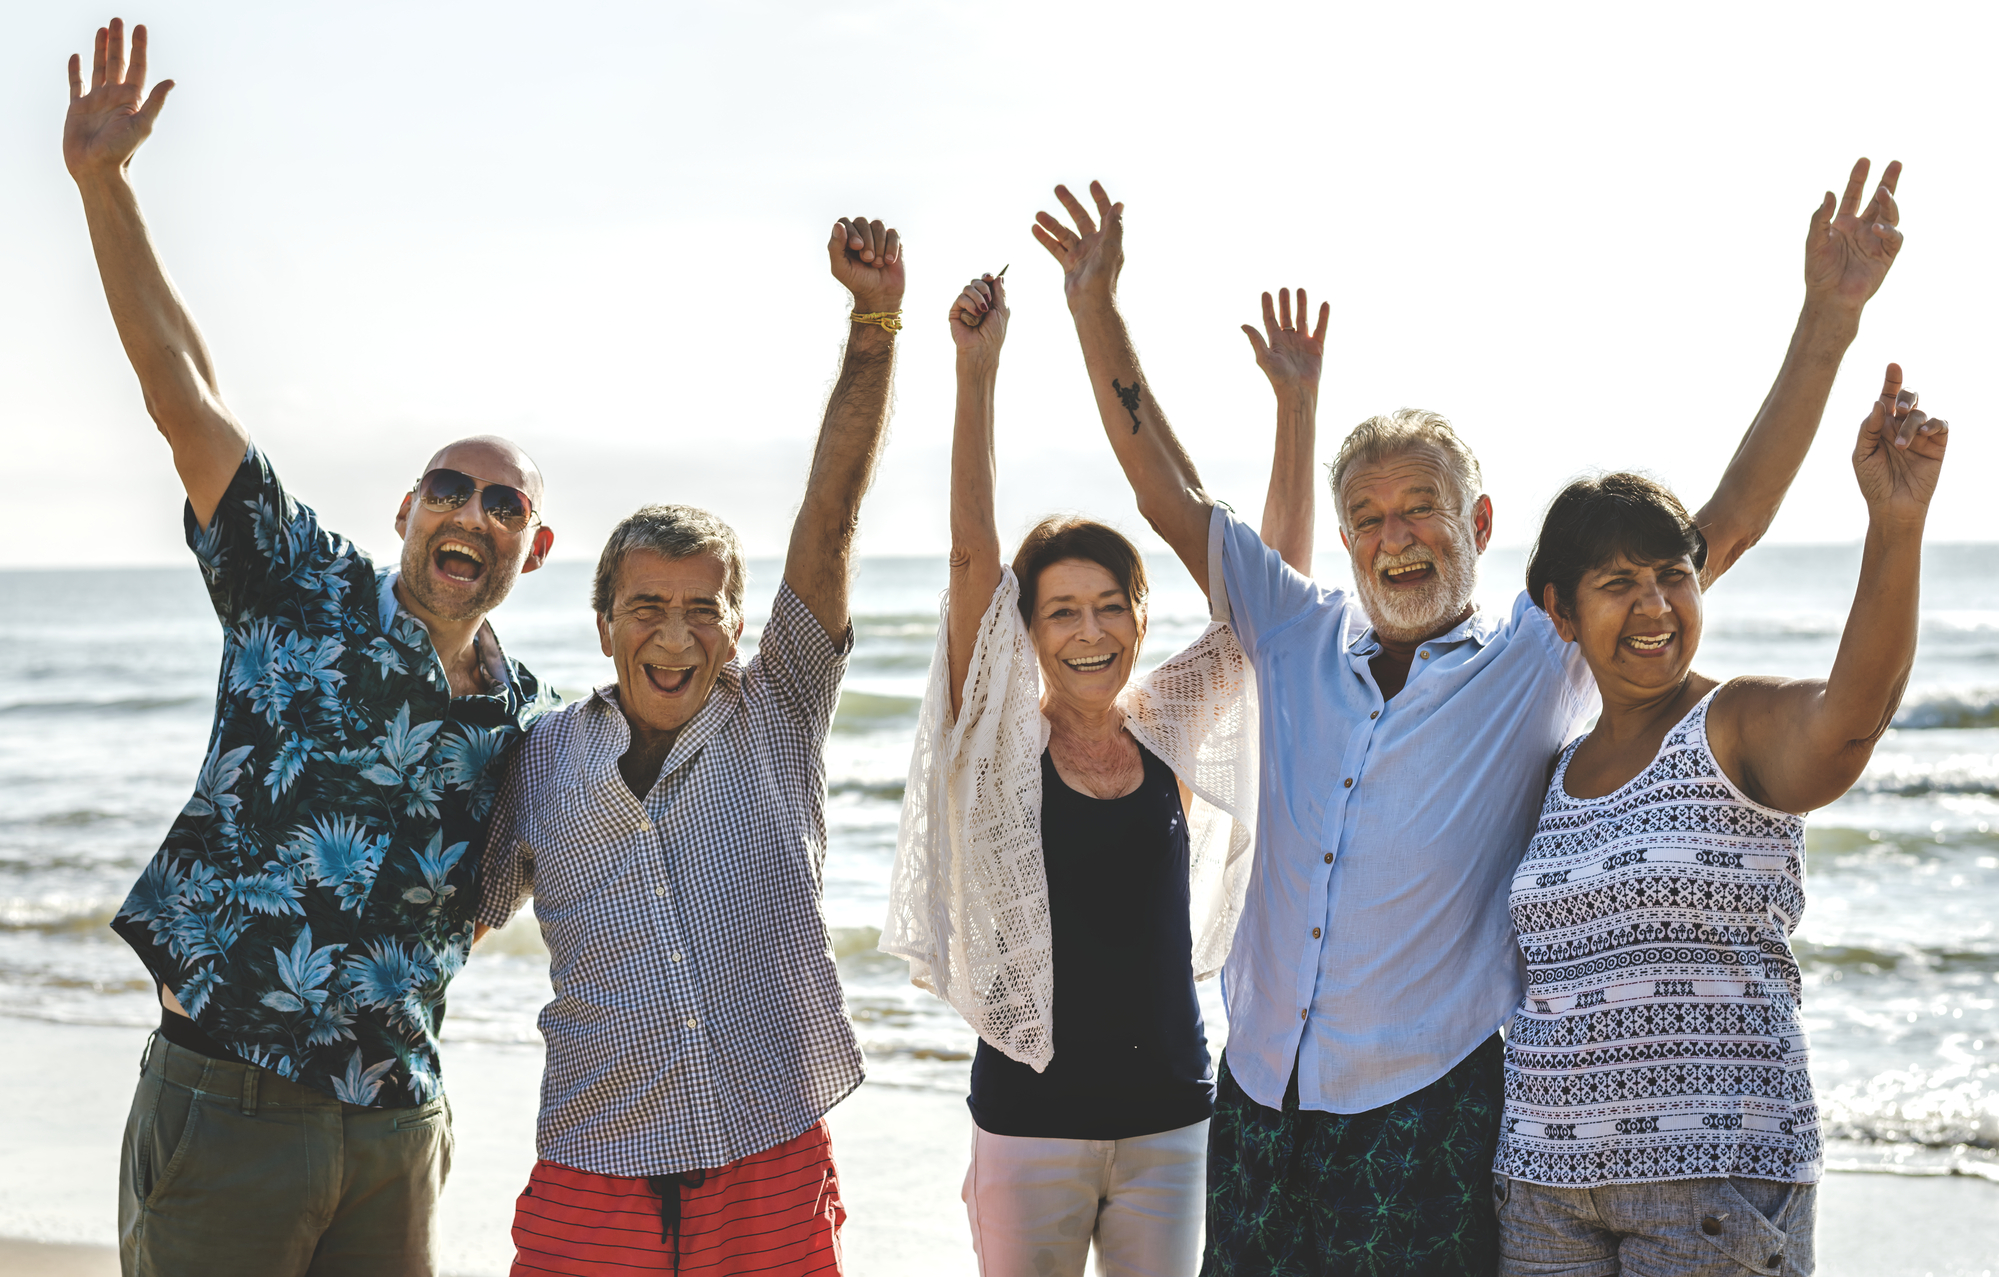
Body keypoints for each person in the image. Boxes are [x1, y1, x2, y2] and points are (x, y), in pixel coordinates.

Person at [1029, 161, 1904, 1276]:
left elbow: (1713, 529)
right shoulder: (1292, 628)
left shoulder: (1536, 656)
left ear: (1478, 519)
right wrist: (1093, 302)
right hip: (1258, 1094)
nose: (1395, 539)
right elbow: (1164, 484)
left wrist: (1826, 319)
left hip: (1426, 1107)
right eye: (1368, 517)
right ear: (1344, 539)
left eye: (1420, 510)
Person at [66, 19, 558, 1277]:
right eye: (450, 485)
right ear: (405, 509)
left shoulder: (535, 717)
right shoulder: (296, 583)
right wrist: (106, 188)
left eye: (504, 502)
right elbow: (185, 392)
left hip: (399, 1120)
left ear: (532, 550)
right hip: (231, 1101)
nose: (472, 510)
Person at [474, 215, 904, 1276]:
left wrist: (874, 322)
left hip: (768, 1146)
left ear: (741, 624)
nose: (674, 635)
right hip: (593, 1154)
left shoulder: (780, 712)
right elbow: (453, 915)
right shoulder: (536, 759)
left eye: (702, 607)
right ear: (602, 619)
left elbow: (830, 515)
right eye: (646, 606)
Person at [1493, 370, 1949, 1276]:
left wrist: (1895, 524)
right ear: (1560, 611)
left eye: (1673, 575)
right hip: (1543, 1184)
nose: (1656, 605)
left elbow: (1852, 711)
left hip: (1715, 1180)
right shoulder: (1552, 770)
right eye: (1618, 582)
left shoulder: (1732, 724)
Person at [883, 269, 1273, 1276]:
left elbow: (1266, 605)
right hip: (1032, 1121)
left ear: (1142, 615)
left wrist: (1293, 409)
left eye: (1110, 603)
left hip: (1170, 1120)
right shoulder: (997, 750)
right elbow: (974, 558)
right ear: (1027, 632)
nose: (1089, 628)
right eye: (1061, 609)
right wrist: (977, 369)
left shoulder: (1168, 731)